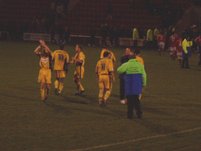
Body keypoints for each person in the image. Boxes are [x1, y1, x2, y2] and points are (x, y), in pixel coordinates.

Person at [117, 55, 147, 119]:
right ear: (135, 59)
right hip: (137, 84)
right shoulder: (140, 65)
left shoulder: (127, 64)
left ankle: (130, 115)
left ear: (129, 59)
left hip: (129, 83)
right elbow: (144, 75)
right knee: (136, 99)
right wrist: (144, 84)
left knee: (130, 100)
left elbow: (119, 70)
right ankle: (139, 114)